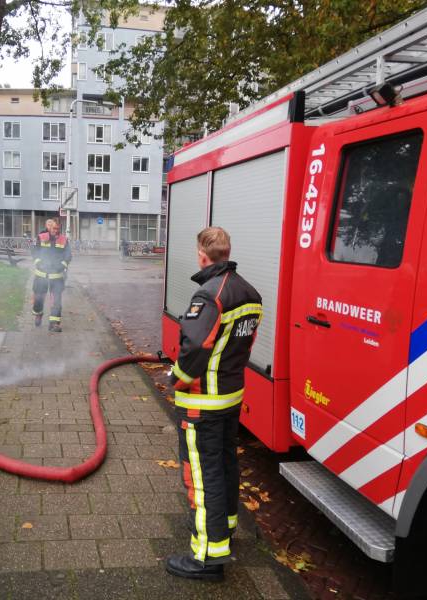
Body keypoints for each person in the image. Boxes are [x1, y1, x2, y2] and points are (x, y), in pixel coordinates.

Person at [165, 227, 263, 581]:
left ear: (202, 255)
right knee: (224, 464)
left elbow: (194, 349)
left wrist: (175, 378)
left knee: (202, 476)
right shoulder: (250, 293)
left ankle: (206, 557)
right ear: (227, 252)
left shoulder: (208, 296)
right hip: (231, 397)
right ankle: (225, 527)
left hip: (202, 401)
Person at [31, 218, 71, 332]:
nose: (56, 231)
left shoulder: (64, 240)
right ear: (49, 227)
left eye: (58, 228)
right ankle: (38, 314)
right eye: (54, 228)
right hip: (41, 275)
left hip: (57, 276)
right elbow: (34, 251)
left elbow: (68, 255)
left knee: (56, 300)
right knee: (38, 298)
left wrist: (62, 265)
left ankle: (54, 324)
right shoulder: (41, 237)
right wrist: (38, 263)